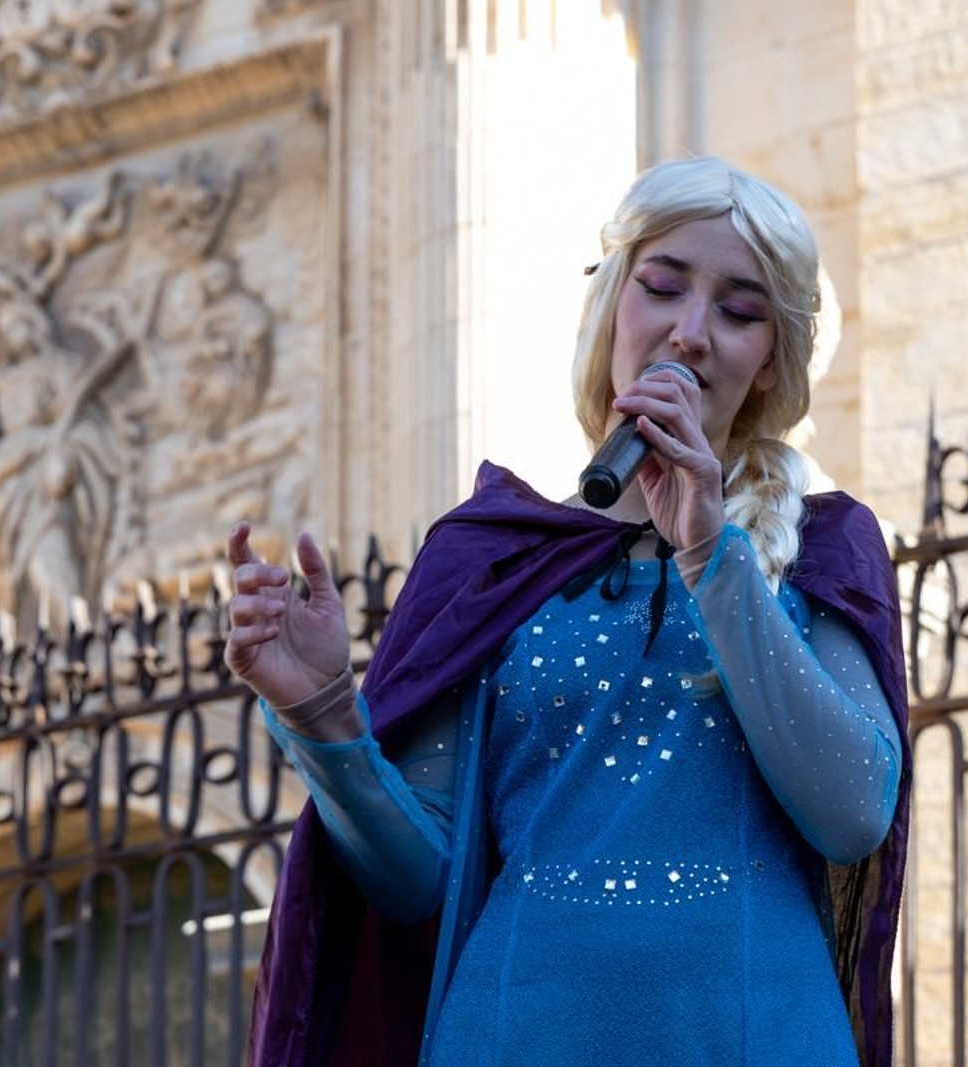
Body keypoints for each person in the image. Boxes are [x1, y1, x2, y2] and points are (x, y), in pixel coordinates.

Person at [227, 156, 911, 1067]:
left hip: (752, 1032)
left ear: (771, 360)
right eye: (663, 288)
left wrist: (713, 555)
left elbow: (855, 811)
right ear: (613, 308)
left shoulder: (824, 549)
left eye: (738, 311)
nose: (691, 333)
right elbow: (419, 878)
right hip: (514, 1031)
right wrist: (321, 713)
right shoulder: (493, 556)